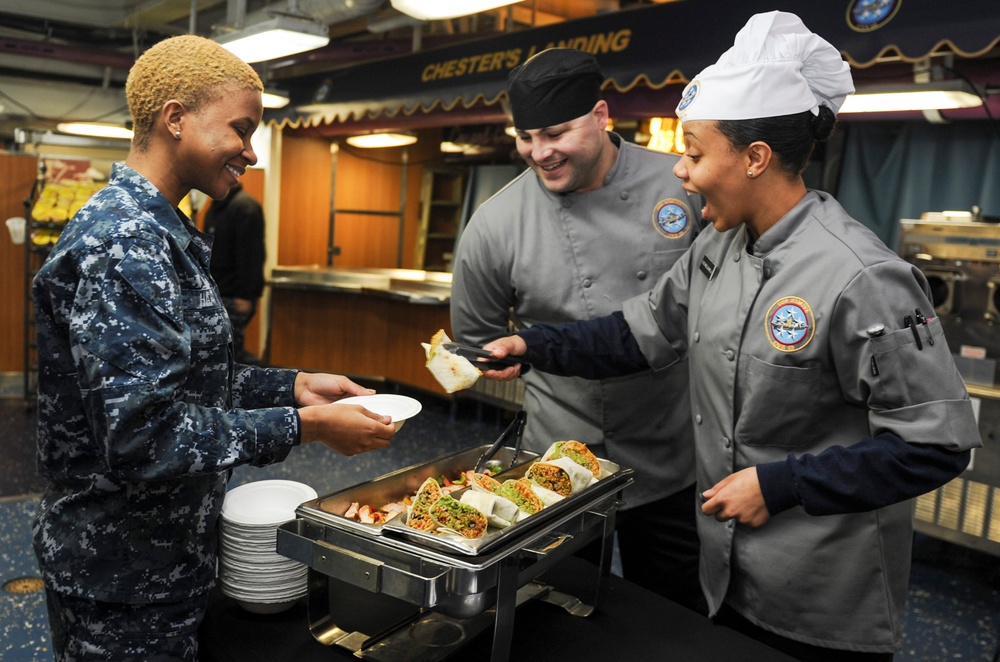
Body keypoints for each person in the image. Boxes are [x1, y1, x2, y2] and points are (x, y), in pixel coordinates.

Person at [477, 12, 981, 661]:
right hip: (722, 574)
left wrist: (781, 483)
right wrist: (535, 347)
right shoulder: (717, 250)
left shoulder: (862, 277)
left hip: (817, 599)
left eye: (693, 152)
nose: (680, 174)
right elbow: (638, 334)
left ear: (754, 158)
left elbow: (937, 447)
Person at [31, 34, 396, 661]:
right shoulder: (128, 246)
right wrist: (303, 425)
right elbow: (144, 437)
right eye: (241, 129)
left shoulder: (160, 232)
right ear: (175, 119)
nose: (251, 153)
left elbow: (187, 380)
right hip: (122, 576)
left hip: (161, 558)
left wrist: (293, 384)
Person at [450, 47, 706, 611]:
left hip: (673, 454)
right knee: (553, 612)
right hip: (555, 463)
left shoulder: (685, 184)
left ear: (600, 115)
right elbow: (474, 343)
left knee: (669, 616)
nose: (539, 153)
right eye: (525, 137)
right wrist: (488, 357)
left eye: (556, 133)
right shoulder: (494, 226)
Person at [204, 182, 266, 363]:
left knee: (231, 356)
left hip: (235, 297)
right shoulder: (216, 206)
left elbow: (251, 254)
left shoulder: (245, 207)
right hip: (217, 294)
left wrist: (246, 296)